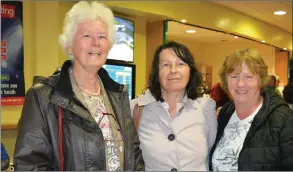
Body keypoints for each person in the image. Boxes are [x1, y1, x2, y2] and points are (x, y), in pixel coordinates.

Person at [14, 1, 144, 171]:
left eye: (102, 36)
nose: (96, 43)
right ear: (69, 45)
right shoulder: (43, 97)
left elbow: (134, 156)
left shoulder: (118, 96)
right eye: (87, 36)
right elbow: (29, 165)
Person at [131, 41, 217, 171]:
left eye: (180, 64)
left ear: (190, 71)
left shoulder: (206, 108)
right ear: (157, 72)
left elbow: (211, 150)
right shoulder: (136, 108)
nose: (173, 70)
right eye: (165, 65)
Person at [209, 48, 293, 171]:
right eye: (234, 77)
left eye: (249, 77)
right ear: (225, 80)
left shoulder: (284, 119)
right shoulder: (225, 113)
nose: (241, 84)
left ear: (261, 80)